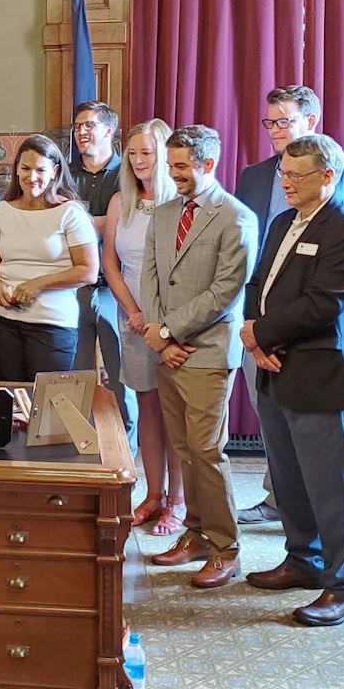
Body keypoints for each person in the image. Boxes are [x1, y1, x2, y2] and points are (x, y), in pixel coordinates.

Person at [233, 84, 344, 526]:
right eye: (270, 122)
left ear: (311, 122)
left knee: (328, 443)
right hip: (262, 331)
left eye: (284, 120)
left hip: (323, 330)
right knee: (276, 428)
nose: (275, 130)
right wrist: (254, 328)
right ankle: (280, 502)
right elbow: (252, 260)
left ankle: (334, 520)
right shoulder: (255, 176)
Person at [241, 135, 344, 627]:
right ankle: (303, 559)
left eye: (297, 175)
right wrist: (256, 340)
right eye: (284, 173)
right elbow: (259, 285)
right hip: (272, 367)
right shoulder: (282, 222)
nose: (287, 183)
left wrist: (263, 332)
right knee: (289, 477)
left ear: (328, 176)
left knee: (331, 487)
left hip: (318, 372)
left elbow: (327, 302)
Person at [141, 125, 258, 589]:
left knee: (208, 451)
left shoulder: (236, 218)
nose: (174, 176)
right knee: (184, 449)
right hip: (166, 350)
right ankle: (195, 536)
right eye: (170, 167)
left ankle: (226, 548)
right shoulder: (164, 212)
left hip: (207, 350)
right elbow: (150, 275)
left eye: (182, 167)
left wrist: (171, 330)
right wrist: (158, 335)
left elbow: (225, 292)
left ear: (208, 165)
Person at [102, 118, 185, 535]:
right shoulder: (122, 202)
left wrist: (160, 321)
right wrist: (134, 312)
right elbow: (110, 264)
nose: (137, 161)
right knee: (148, 409)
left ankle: (180, 502)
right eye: (132, 153)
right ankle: (153, 495)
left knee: (177, 415)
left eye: (146, 153)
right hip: (132, 321)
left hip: (173, 325)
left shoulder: (182, 203)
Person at [0, 134, 98, 381]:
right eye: (25, 168)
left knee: (47, 404)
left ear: (55, 171)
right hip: (4, 319)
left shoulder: (70, 213)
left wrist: (39, 283)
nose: (31, 177)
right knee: (11, 400)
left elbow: (88, 271)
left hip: (52, 322)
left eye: (40, 170)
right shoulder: (3, 210)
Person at [69, 100, 138, 443]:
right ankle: (79, 446)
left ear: (109, 130)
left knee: (123, 374)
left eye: (89, 125)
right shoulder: (62, 172)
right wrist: (100, 223)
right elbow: (56, 225)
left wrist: (79, 224)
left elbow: (126, 224)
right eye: (78, 126)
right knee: (75, 375)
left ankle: (129, 452)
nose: (82, 132)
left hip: (118, 287)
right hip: (73, 286)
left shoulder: (129, 174)